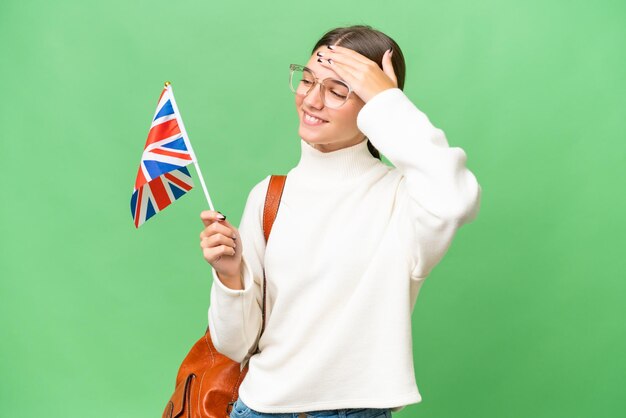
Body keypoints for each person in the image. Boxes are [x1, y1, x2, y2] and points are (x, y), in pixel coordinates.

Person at [199, 24, 481, 418]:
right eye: (308, 81)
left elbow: (457, 200)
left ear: (373, 106)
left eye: (337, 90)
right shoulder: (269, 196)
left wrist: (389, 101)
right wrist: (230, 278)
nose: (312, 100)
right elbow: (236, 345)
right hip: (258, 408)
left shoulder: (403, 200)